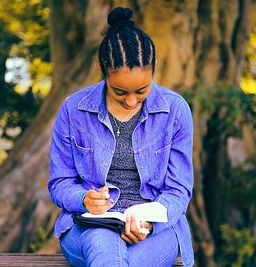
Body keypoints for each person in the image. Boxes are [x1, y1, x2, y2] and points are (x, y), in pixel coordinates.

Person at [48, 7, 194, 267]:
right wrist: (83, 199)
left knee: (118, 260)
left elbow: (178, 189)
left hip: (155, 230)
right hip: (88, 228)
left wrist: (147, 221)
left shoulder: (175, 110)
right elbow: (60, 182)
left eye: (141, 90)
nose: (131, 101)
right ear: (103, 71)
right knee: (104, 246)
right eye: (119, 92)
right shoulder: (74, 109)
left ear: (153, 69)